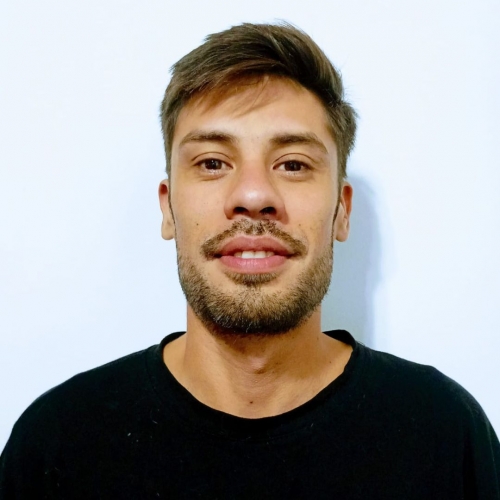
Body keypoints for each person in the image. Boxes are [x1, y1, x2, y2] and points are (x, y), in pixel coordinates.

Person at [1, 21, 499, 499]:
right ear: (168, 208)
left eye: (293, 164)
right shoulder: (57, 443)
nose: (254, 195)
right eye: (212, 163)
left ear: (341, 211)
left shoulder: (444, 433)